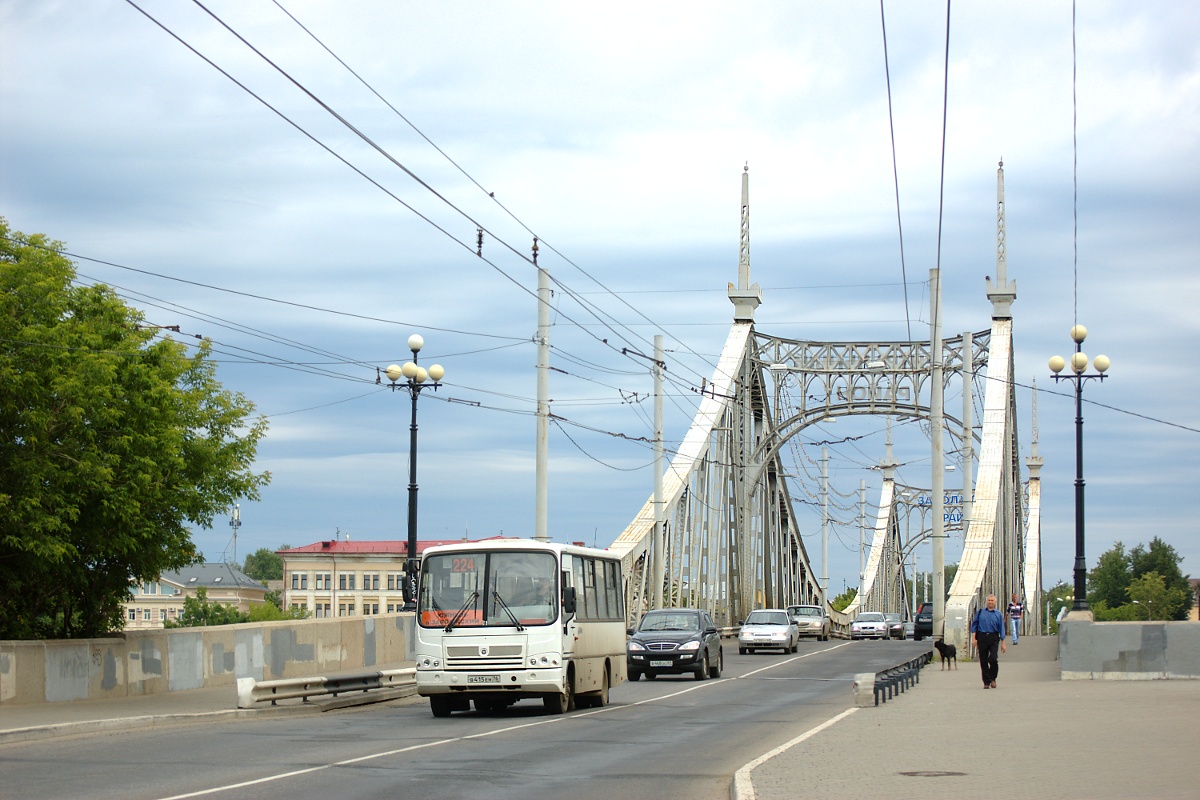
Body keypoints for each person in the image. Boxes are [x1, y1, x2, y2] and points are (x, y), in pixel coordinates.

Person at [970, 594, 1007, 689]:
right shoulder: (981, 612)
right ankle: (986, 682)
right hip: (982, 637)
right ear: (986, 602)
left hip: (993, 637)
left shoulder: (998, 614)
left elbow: (1002, 629)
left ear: (995, 602)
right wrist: (974, 638)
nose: (990, 602)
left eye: (992, 600)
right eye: (989, 600)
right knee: (983, 660)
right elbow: (974, 626)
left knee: (993, 659)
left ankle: (993, 678)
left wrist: (1003, 643)